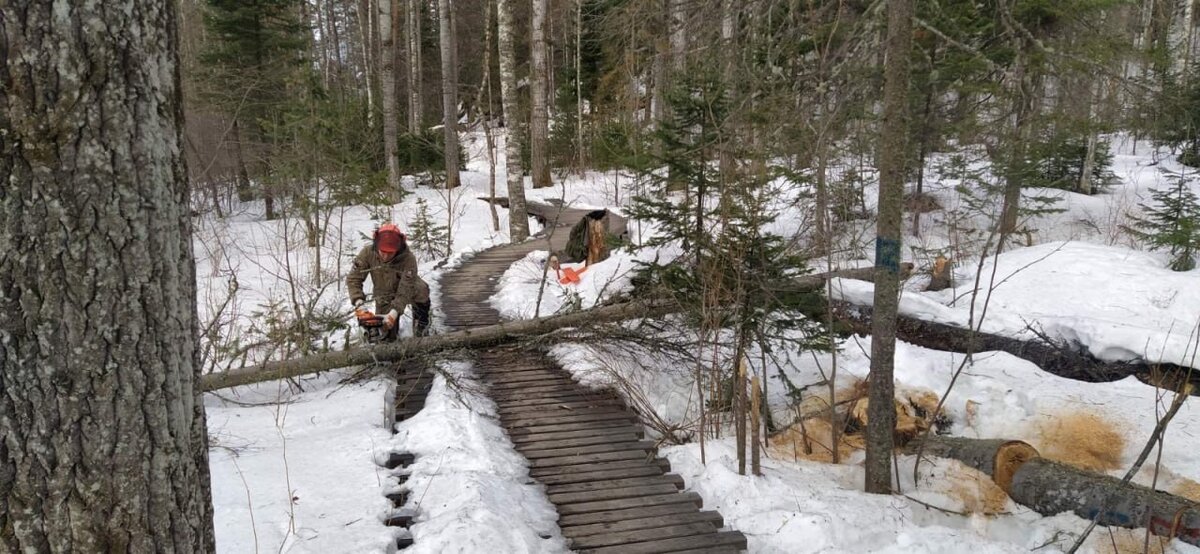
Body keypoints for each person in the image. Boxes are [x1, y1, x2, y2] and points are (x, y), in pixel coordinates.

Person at [347, 223, 432, 338]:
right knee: (385, 335)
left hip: (409, 289)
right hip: (383, 293)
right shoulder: (367, 253)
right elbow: (354, 278)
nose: (386, 256)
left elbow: (406, 287)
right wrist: (359, 303)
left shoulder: (408, 258)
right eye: (383, 252)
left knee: (421, 289)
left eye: (390, 253)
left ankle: (421, 328)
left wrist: (394, 312)